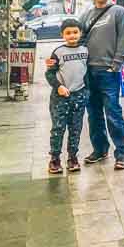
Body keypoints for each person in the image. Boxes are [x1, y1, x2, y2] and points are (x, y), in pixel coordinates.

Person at [79, 0, 124, 170]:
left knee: (113, 113)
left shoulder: (118, 12)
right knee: (93, 114)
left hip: (109, 72)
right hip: (88, 72)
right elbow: (78, 39)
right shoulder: (85, 15)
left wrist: (116, 64)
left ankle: (122, 154)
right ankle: (100, 149)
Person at [45, 19, 89, 174]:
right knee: (58, 128)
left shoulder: (85, 50)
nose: (72, 36)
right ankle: (55, 159)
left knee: (76, 128)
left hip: (79, 96)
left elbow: (87, 73)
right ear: (62, 34)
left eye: (75, 32)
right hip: (60, 98)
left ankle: (73, 157)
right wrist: (59, 87)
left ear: (80, 33)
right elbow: (49, 74)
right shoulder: (58, 53)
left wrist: (86, 91)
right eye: (68, 33)